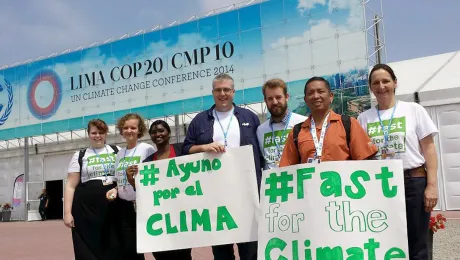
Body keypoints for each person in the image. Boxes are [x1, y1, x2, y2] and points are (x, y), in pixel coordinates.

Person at [357, 64, 438, 259]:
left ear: (395, 83)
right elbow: (362, 156)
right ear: (370, 87)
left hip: (413, 182)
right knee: (387, 240)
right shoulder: (363, 118)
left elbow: (429, 148)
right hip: (380, 186)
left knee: (418, 242)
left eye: (385, 81)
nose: (381, 86)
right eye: (375, 82)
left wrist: (432, 185)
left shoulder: (413, 110)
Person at [182, 73, 261, 260]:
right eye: (218, 90)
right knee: (221, 251)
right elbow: (185, 150)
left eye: (226, 89)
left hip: (246, 193)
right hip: (214, 195)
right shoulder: (200, 120)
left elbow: (260, 154)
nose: (222, 93)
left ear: (233, 92)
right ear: (212, 93)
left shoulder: (250, 117)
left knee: (250, 249)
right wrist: (203, 147)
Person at [126, 119, 192, 260]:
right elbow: (145, 192)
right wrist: (132, 180)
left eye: (161, 130)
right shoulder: (147, 163)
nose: (158, 134)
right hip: (161, 219)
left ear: (169, 133)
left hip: (182, 216)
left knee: (183, 255)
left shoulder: (182, 150)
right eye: (154, 132)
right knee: (162, 255)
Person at [280, 76, 378, 166]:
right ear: (306, 100)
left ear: (331, 96)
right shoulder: (296, 132)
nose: (315, 96)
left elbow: (367, 163)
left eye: (320, 91)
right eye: (310, 93)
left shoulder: (348, 124)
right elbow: (285, 169)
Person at [65, 119, 121, 260]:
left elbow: (124, 177)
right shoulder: (80, 155)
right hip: (86, 210)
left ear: (106, 134)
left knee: (114, 244)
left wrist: (117, 189)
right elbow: (70, 185)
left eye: (101, 132)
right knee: (88, 247)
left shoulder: (117, 151)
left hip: (113, 206)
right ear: (88, 134)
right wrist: (67, 213)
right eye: (94, 132)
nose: (97, 136)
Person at [106, 113, 156, 260]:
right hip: (124, 206)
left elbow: (154, 174)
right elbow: (118, 179)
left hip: (142, 205)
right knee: (129, 247)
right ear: (121, 130)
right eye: (125, 127)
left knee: (149, 244)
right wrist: (114, 190)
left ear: (139, 130)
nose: (129, 131)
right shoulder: (120, 153)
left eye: (133, 127)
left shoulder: (147, 149)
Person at [256, 78, 307, 169]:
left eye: (278, 97)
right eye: (270, 99)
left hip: (296, 180)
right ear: (265, 100)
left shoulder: (303, 122)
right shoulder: (261, 130)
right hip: (272, 181)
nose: (275, 102)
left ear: (286, 97)